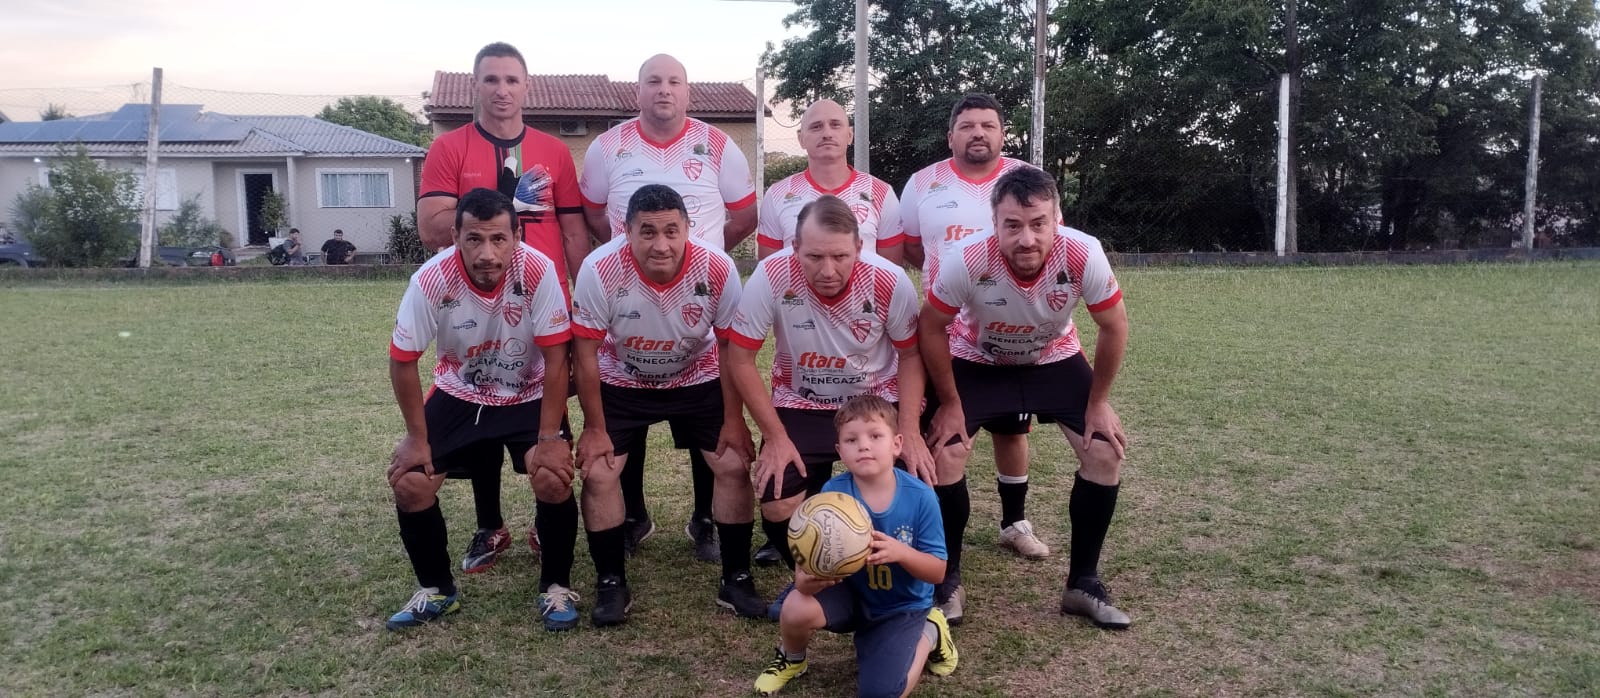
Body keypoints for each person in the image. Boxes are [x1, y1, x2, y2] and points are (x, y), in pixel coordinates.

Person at [919, 167, 1132, 629]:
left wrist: (1098, 402)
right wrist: (950, 403)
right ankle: (946, 581)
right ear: (994, 224)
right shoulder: (967, 257)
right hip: (976, 360)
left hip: (1053, 358)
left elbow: (1114, 325)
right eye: (1012, 225)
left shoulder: (1083, 252)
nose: (1027, 239)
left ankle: (1082, 584)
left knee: (1104, 451)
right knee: (943, 454)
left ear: (1057, 219)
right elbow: (931, 327)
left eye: (1039, 223)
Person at [416, 42, 589, 575]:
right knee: (478, 395)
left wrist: (583, 296)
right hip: (472, 297)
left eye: (512, 80)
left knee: (544, 400)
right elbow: (431, 229)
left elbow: (572, 228)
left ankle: (544, 518)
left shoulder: (553, 151)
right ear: (475, 86)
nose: (502, 90)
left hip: (542, 298)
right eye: (491, 79)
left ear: (526, 86)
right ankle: (489, 524)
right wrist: (504, 205)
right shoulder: (448, 148)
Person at [579, 53, 758, 562]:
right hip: (630, 289)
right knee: (625, 409)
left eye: (673, 81)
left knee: (709, 416)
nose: (664, 89)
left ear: (687, 91)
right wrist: (633, 256)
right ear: (637, 91)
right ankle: (633, 516)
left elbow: (744, 214)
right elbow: (594, 213)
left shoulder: (718, 144)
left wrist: (699, 255)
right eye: (653, 81)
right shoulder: (607, 145)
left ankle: (706, 518)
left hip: (698, 298)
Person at [724, 194, 933, 620]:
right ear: (794, 248)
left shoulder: (889, 280)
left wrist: (909, 430)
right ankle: (820, 577)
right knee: (777, 501)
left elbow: (911, 356)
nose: (828, 270)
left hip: (873, 402)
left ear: (859, 247)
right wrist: (776, 437)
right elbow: (740, 358)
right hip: (801, 401)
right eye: (814, 256)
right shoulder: (771, 275)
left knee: (909, 489)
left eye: (840, 256)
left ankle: (905, 582)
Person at [570, 184, 766, 620]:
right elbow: (584, 353)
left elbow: (730, 348)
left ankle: (736, 578)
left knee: (733, 463)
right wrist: (595, 428)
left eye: (671, 231)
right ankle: (610, 583)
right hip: (622, 378)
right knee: (599, 471)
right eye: (648, 232)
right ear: (626, 232)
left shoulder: (717, 266)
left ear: (687, 229)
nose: (661, 245)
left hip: (697, 375)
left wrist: (733, 419)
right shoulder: (599, 268)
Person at [381, 188, 573, 631]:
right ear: (455, 237)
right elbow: (402, 360)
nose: (487, 253)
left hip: (528, 391)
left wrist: (550, 438)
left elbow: (556, 358)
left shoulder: (538, 270)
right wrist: (416, 438)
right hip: (460, 392)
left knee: (552, 475)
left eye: (498, 239)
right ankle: (436, 590)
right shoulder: (431, 279)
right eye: (474, 239)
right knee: (410, 482)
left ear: (516, 237)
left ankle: (555, 588)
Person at [899, 94, 1056, 624]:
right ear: (951, 136)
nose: (978, 133)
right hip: (945, 330)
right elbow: (913, 248)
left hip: (1009, 325)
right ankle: (941, 549)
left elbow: (1046, 240)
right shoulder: (922, 183)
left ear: (1002, 132)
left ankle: (1014, 524)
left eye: (988, 125)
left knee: (1012, 430)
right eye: (967, 126)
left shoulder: (1026, 178)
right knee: (946, 436)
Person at [752, 396, 956, 697]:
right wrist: (805, 580)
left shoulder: (921, 497)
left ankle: (931, 630)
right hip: (851, 594)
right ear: (839, 451)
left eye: (875, 436)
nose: (863, 446)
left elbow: (938, 572)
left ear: (897, 444)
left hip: (901, 606)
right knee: (795, 606)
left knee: (881, 693)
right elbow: (811, 559)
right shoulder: (832, 494)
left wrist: (901, 553)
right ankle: (792, 659)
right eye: (851, 439)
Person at [757, 99, 904, 264]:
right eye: (816, 127)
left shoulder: (881, 192)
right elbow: (769, 271)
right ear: (801, 138)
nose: (827, 133)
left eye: (835, 125)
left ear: (850, 135)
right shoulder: (777, 195)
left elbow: (891, 271)